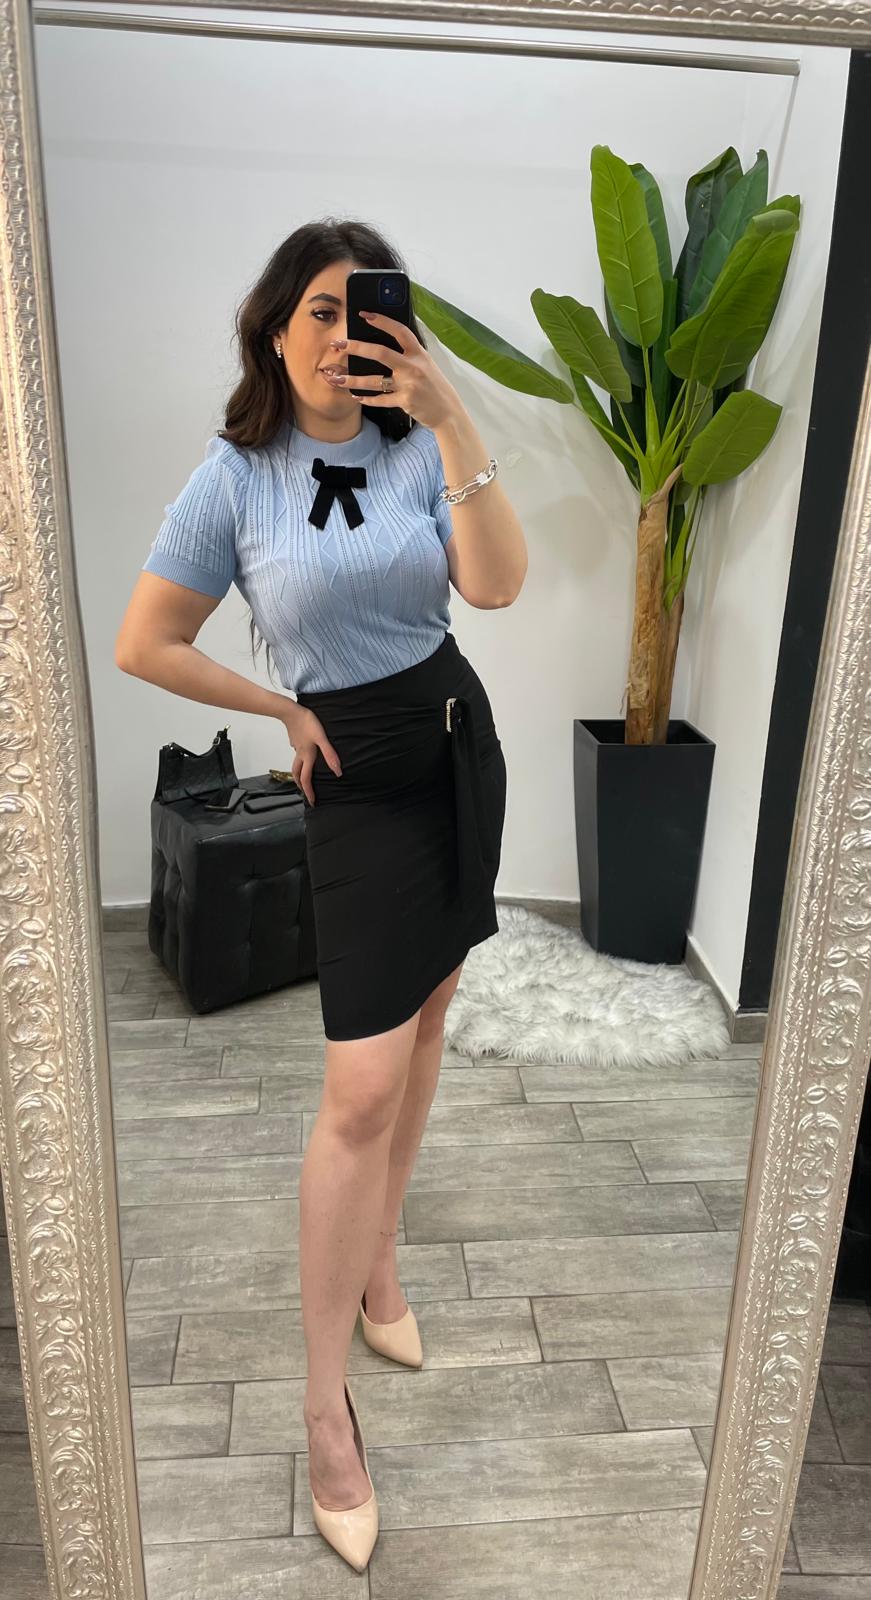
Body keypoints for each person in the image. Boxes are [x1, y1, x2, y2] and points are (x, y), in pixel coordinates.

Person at [115, 218, 527, 1571]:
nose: (344, 340)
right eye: (320, 314)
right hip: (350, 780)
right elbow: (145, 641)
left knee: (427, 1022)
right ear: (275, 328)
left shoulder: (417, 448)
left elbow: (496, 587)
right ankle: (321, 1410)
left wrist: (451, 415)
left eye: (367, 314)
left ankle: (381, 1259)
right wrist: (278, 708)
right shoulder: (233, 478)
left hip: (453, 751)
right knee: (358, 1086)